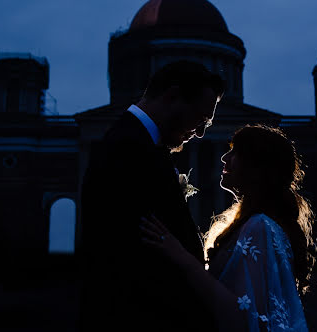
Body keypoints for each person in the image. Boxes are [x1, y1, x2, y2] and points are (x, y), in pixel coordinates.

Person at [78, 60, 225, 332]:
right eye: (202, 119)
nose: (202, 133)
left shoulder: (136, 143)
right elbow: (127, 264)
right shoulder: (128, 149)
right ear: (172, 96)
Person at [140, 124, 316, 332]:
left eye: (235, 152)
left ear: (256, 167)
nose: (225, 158)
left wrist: (180, 255)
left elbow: (247, 317)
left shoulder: (260, 227)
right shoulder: (256, 223)